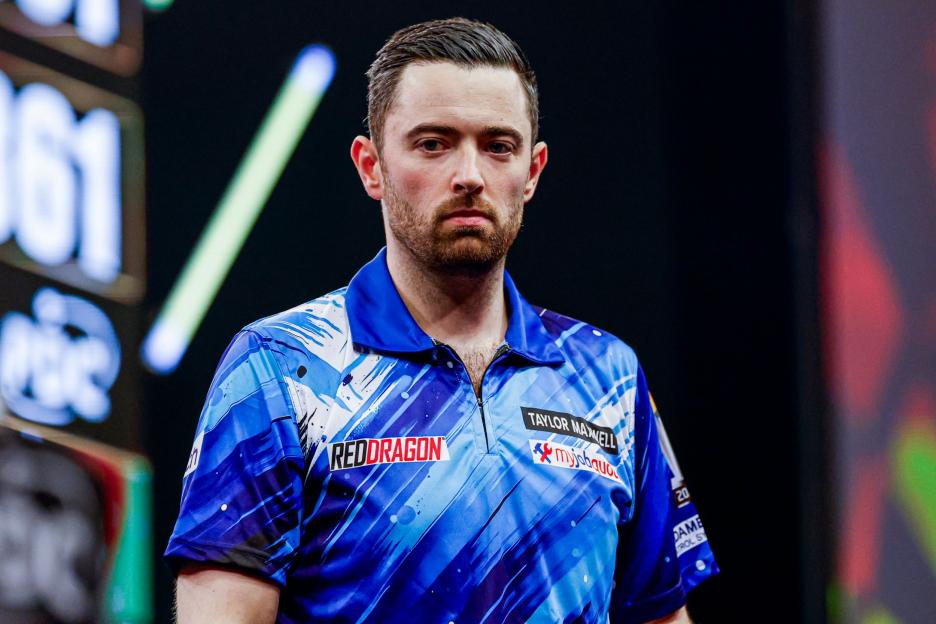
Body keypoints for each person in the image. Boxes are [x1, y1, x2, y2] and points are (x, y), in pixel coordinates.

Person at [165, 17, 717, 624]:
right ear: (371, 166)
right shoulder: (279, 366)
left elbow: (662, 614)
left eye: (498, 146)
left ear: (532, 172)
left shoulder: (608, 374)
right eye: (433, 144)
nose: (470, 176)